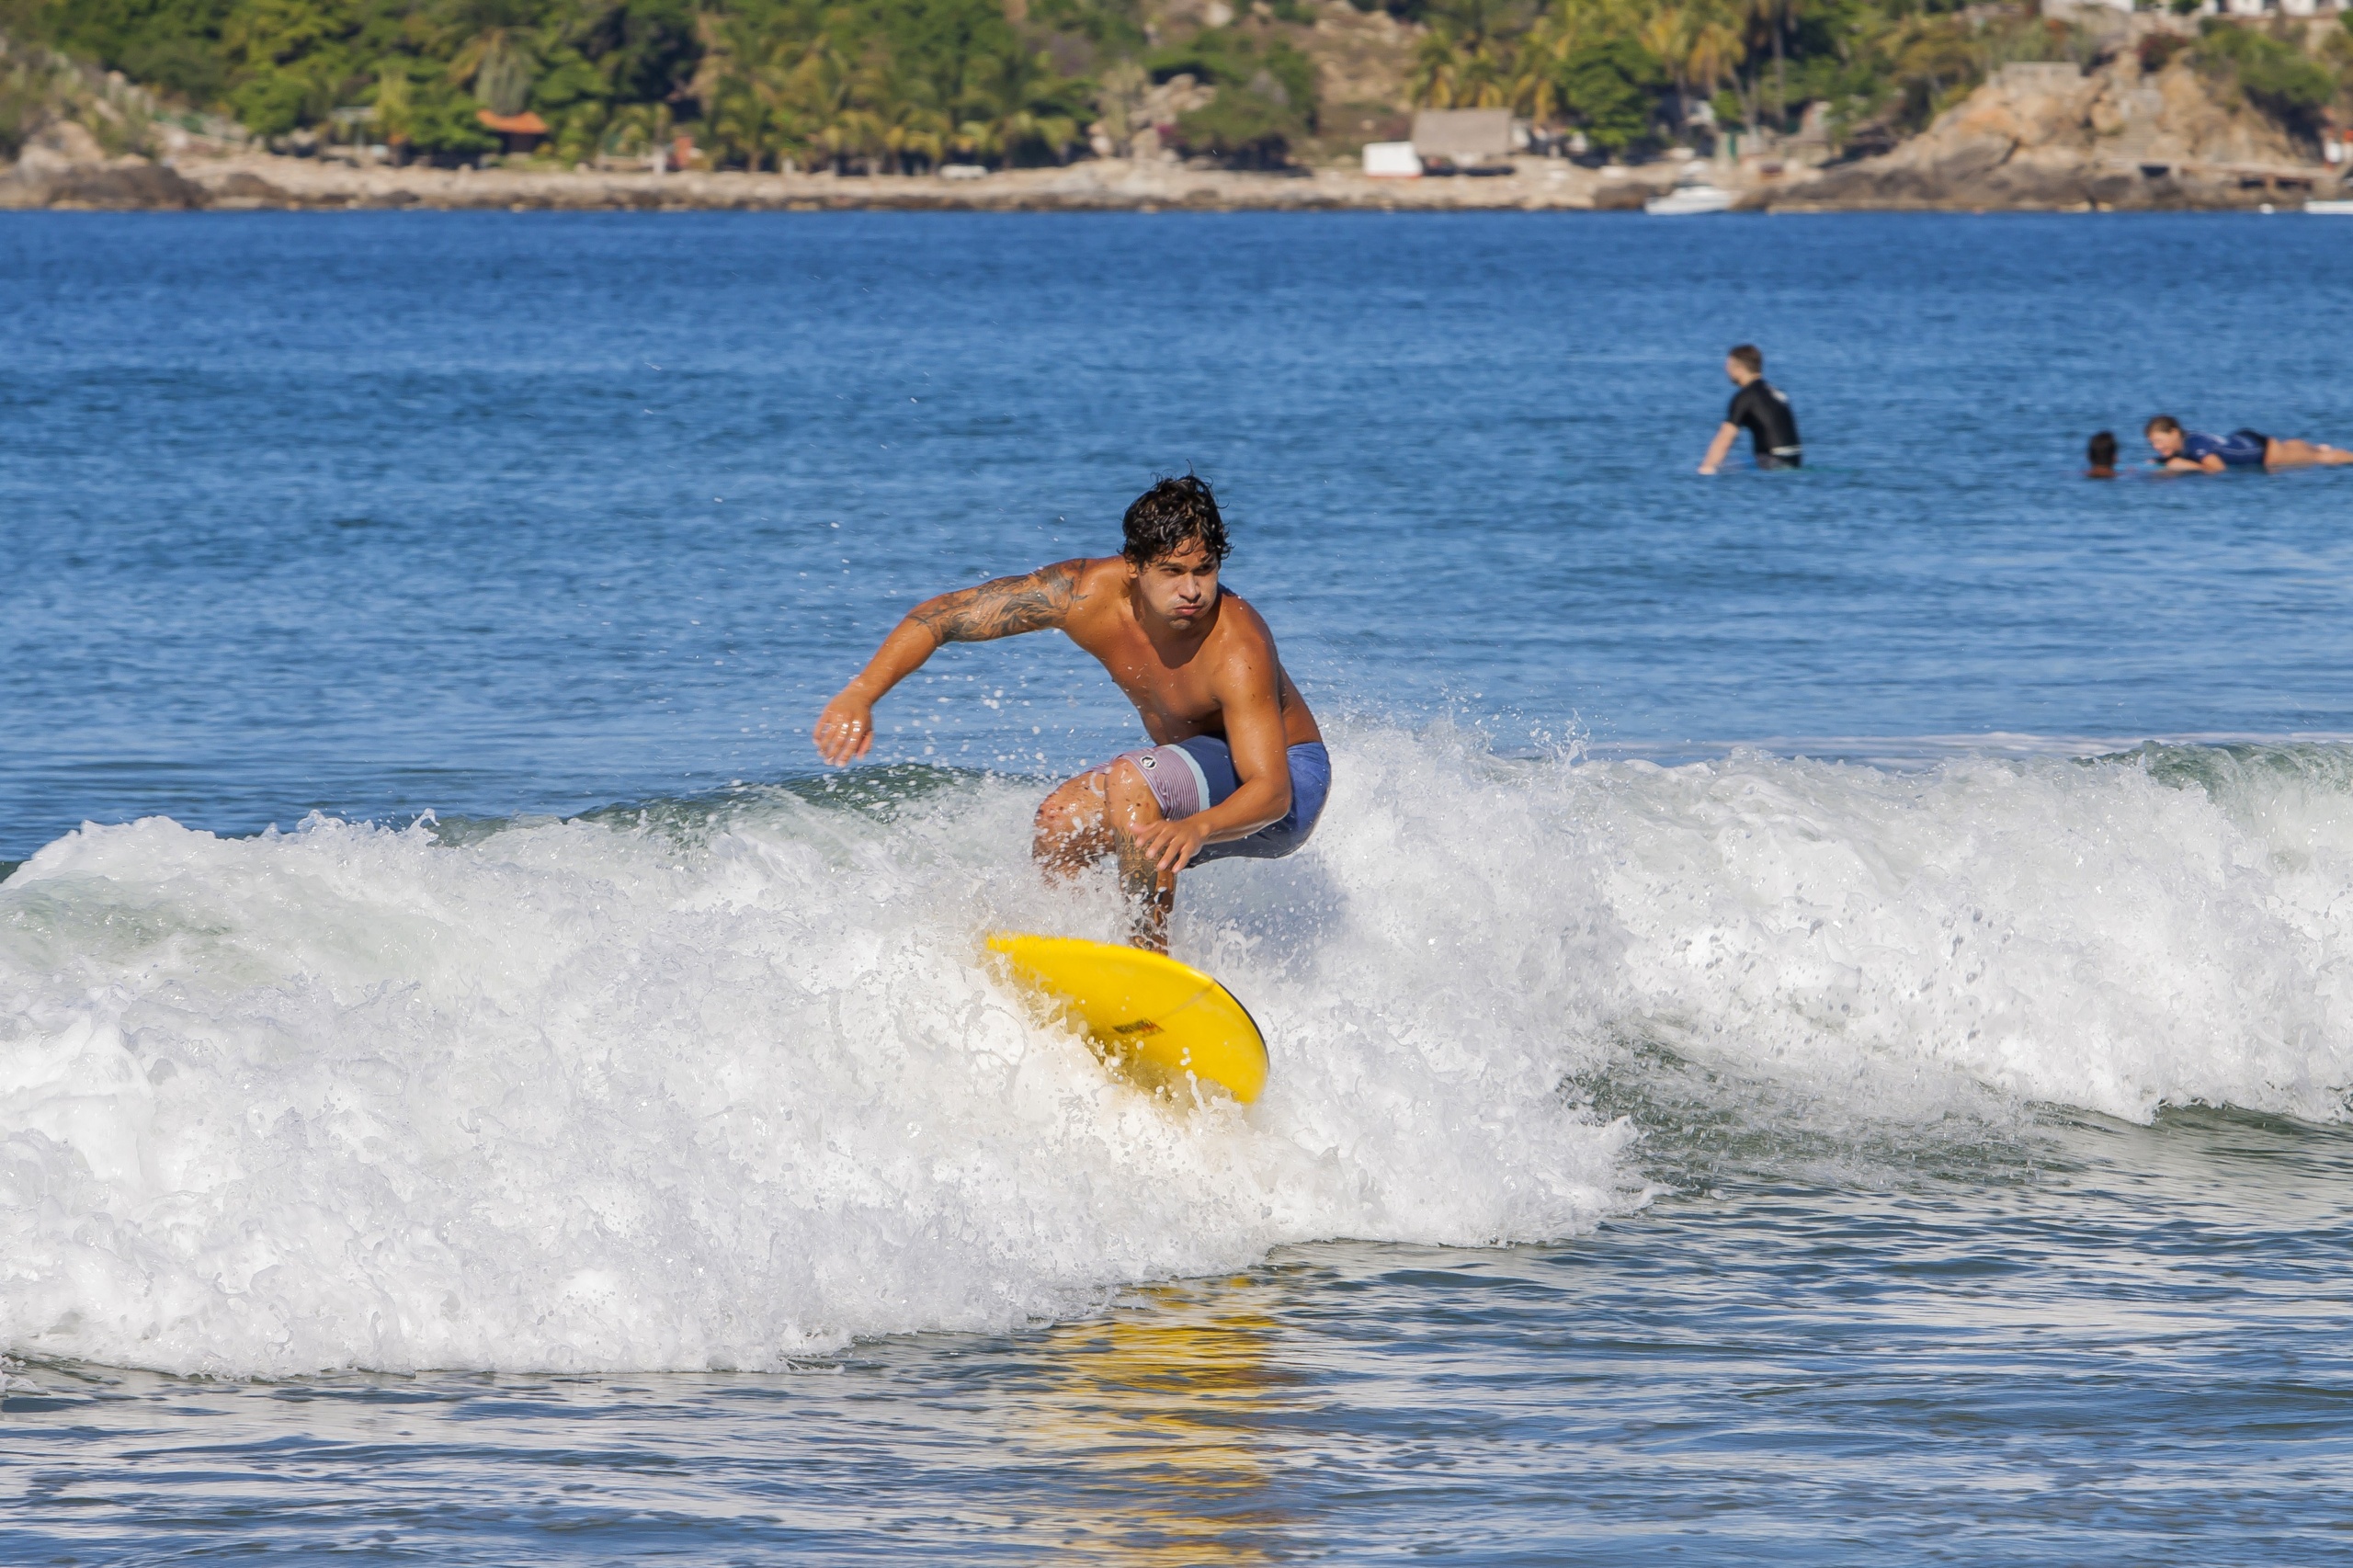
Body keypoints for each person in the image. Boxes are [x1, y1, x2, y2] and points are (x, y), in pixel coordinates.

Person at [812, 475, 1329, 953]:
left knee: (1133, 781)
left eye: (1204, 570)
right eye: (1172, 572)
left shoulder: (1236, 646)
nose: (1192, 590)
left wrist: (1200, 827)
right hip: (1197, 773)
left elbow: (1273, 793)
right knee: (1060, 822)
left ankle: (1147, 963)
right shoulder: (1081, 594)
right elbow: (944, 616)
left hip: (1282, 786)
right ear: (1134, 566)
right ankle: (1082, 954)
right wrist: (863, 692)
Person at [1699, 344, 1802, 474]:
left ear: (1740, 368)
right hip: (1795, 461)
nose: (1725, 369)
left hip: (1771, 462)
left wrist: (1706, 469)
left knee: (1718, 469)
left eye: (1729, 365)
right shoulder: (1774, 392)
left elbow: (1725, 437)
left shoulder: (1746, 396)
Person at [2145, 415, 2353, 472]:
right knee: (2298, 449)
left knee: (2321, 459)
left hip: (2264, 453)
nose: (2157, 446)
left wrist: (2182, 466)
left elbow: (2216, 468)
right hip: (2246, 440)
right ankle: (2316, 446)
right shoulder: (2186, 441)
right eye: (2152, 443)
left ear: (2174, 433)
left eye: (2159, 441)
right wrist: (2163, 460)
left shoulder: (2195, 445)